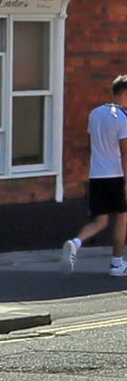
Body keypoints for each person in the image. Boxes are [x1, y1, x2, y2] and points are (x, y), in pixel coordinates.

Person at [64, 75, 127, 275]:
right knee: (122, 218)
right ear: (125, 94)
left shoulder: (95, 114)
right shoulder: (123, 118)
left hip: (96, 175)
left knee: (100, 220)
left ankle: (75, 242)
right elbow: (125, 152)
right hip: (117, 175)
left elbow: (94, 145)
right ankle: (117, 264)